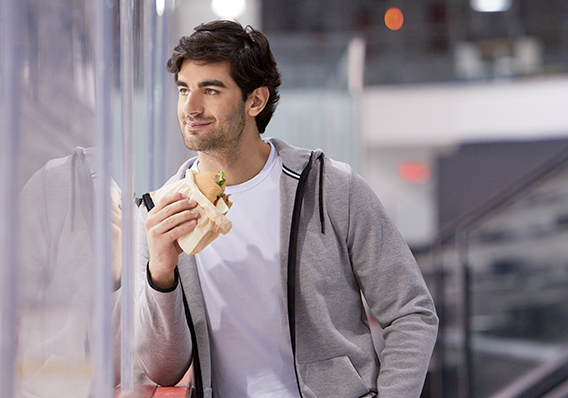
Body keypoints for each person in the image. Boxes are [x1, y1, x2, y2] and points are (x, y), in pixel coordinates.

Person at [136, 20, 438, 398]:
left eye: (210, 90)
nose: (190, 107)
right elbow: (164, 369)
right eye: (184, 90)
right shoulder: (161, 213)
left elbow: (411, 311)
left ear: (255, 100)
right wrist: (160, 273)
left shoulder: (332, 187)